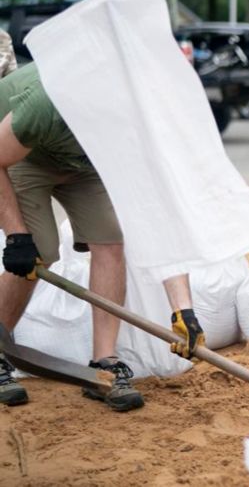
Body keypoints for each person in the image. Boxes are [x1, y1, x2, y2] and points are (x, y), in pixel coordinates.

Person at [0, 63, 204, 410]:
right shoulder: (47, 103)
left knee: (111, 241)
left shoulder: (140, 123)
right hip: (22, 156)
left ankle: (103, 364)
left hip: (85, 165)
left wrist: (182, 309)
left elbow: (158, 220)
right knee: (40, 251)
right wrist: (17, 236)